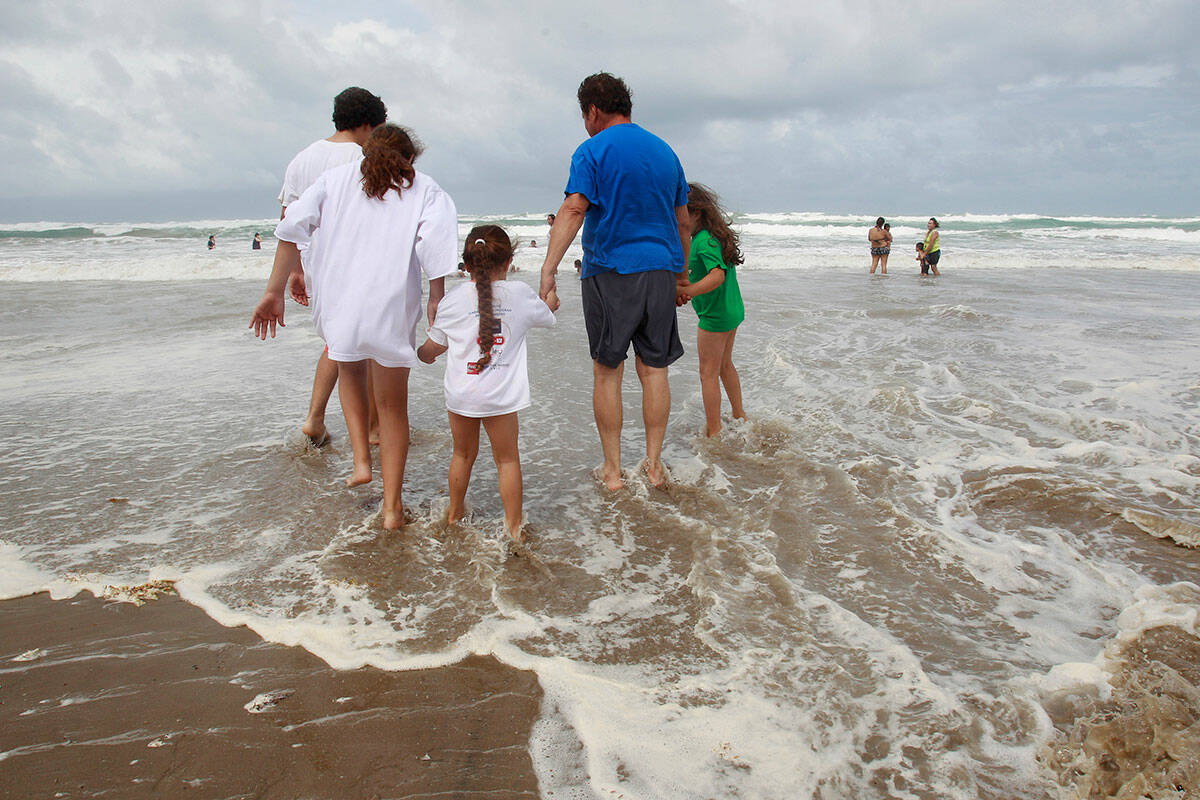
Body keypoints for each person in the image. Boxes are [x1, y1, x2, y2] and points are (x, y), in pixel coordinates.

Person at [251, 124, 459, 530]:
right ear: (409, 158)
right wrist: (437, 298)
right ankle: (392, 509)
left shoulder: (334, 180)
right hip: (390, 306)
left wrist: (273, 292)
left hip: (341, 302)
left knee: (348, 371)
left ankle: (362, 461)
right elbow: (435, 248)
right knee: (393, 408)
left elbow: (291, 229)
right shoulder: (424, 188)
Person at [538, 72, 691, 491]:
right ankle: (655, 465)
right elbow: (682, 223)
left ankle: (612, 471)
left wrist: (548, 270)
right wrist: (680, 275)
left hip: (611, 271)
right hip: (660, 270)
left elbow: (573, 209)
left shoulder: (592, 150)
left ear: (593, 110)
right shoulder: (665, 152)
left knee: (608, 372)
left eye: (584, 116)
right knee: (654, 370)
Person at [417, 226, 557, 542]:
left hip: (462, 395)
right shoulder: (520, 294)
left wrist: (420, 354)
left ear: (466, 265)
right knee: (507, 459)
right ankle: (514, 527)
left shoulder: (451, 301)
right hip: (501, 398)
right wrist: (551, 298)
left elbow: (432, 350)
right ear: (508, 262)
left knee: (462, 455)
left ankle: (454, 516)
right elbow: (548, 314)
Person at [278, 87, 388, 448]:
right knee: (365, 344)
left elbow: (288, 219)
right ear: (370, 124)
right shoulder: (362, 157)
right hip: (354, 259)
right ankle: (372, 429)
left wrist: (295, 270)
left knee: (337, 342)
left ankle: (315, 418)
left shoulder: (303, 158)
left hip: (314, 261)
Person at [676, 184, 746, 437]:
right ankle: (739, 415)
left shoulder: (703, 240)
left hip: (715, 316)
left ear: (696, 213)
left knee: (708, 373)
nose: (676, 218)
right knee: (725, 365)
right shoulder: (712, 235)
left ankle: (714, 431)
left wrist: (688, 291)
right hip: (731, 309)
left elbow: (717, 275)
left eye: (680, 212)